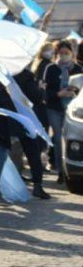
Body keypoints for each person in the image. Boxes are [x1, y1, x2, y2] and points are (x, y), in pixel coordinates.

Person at [42, 40, 82, 184]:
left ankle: (69, 168)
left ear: (72, 53)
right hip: (54, 107)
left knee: (69, 139)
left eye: (67, 53)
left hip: (72, 110)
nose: (64, 56)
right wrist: (58, 93)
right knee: (58, 138)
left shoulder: (78, 69)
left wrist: (73, 92)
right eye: (62, 53)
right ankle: (60, 171)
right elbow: (45, 90)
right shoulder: (51, 68)